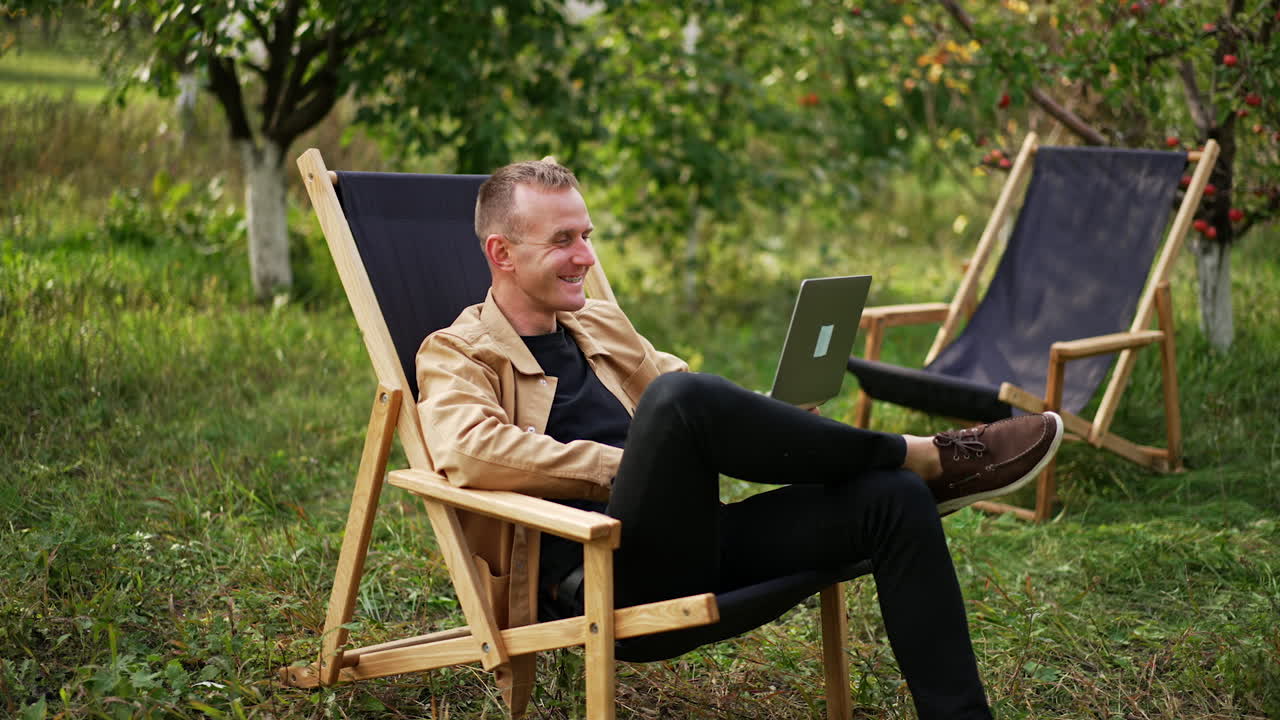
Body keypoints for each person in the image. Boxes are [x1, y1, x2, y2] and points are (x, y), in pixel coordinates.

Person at [415, 160, 1063, 719]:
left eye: (586, 236)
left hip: (697, 540)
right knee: (679, 402)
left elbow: (689, 397)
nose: (586, 256)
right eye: (563, 241)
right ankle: (922, 453)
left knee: (892, 500)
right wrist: (633, 466)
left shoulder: (597, 326)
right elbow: (468, 450)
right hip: (611, 577)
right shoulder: (457, 352)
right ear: (503, 253)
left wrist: (777, 418)